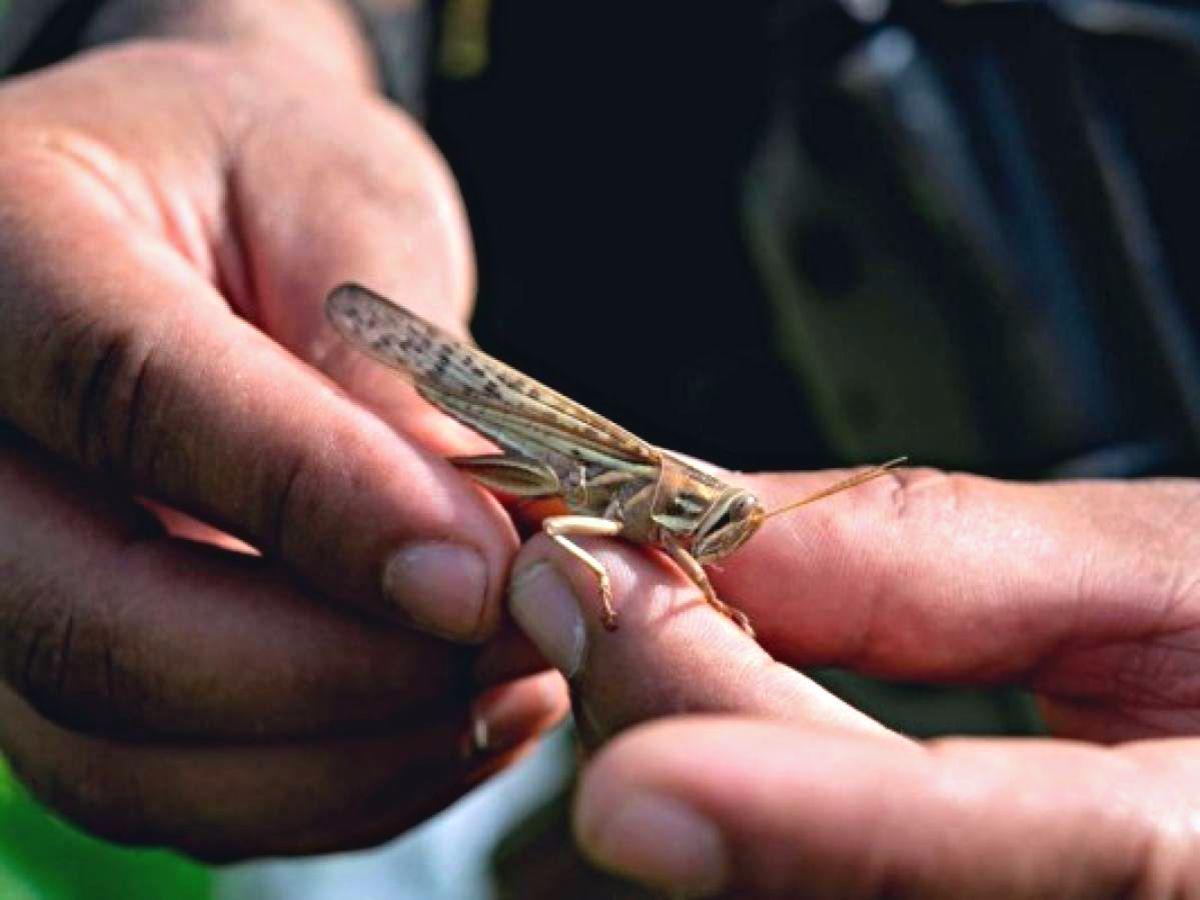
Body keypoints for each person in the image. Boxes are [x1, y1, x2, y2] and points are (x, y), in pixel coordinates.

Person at [0, 0, 1197, 896]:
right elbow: (593, 537)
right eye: (718, 528)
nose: (724, 542)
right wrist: (245, 33)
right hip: (513, 403)